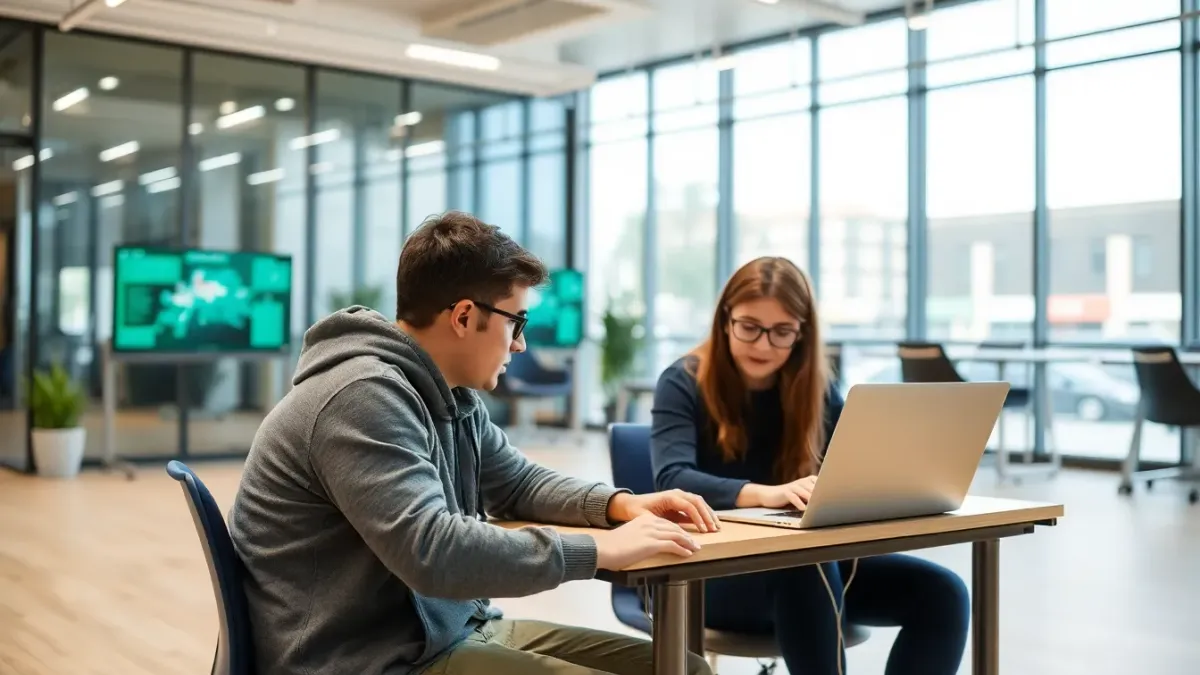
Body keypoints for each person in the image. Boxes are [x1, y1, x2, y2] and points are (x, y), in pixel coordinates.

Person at [228, 211, 716, 675]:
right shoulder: (360, 398)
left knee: (683, 667)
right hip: (368, 659)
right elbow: (433, 552)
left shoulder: (449, 394)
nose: (520, 344)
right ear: (464, 316)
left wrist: (620, 507)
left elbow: (517, 483)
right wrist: (594, 551)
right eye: (516, 322)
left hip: (444, 633)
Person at [649, 256, 970, 675]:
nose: (763, 345)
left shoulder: (815, 388)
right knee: (805, 567)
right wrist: (771, 494)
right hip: (705, 573)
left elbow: (850, 472)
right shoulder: (682, 381)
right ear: (725, 319)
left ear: (802, 333)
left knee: (944, 593)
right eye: (749, 327)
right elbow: (672, 479)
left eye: (782, 332)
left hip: (808, 567)